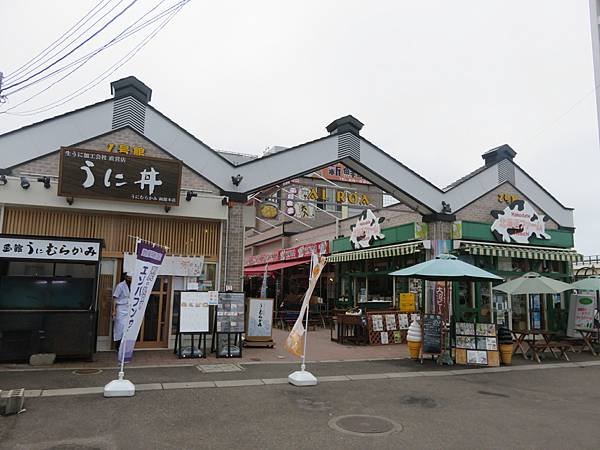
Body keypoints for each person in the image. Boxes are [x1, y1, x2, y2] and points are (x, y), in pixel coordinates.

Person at [112, 272, 131, 351]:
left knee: (127, 328)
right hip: (121, 308)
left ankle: (125, 347)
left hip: (129, 308)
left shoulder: (133, 285)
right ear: (125, 277)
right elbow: (115, 298)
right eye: (128, 278)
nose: (130, 279)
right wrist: (113, 310)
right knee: (120, 328)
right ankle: (118, 346)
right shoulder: (120, 285)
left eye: (131, 278)